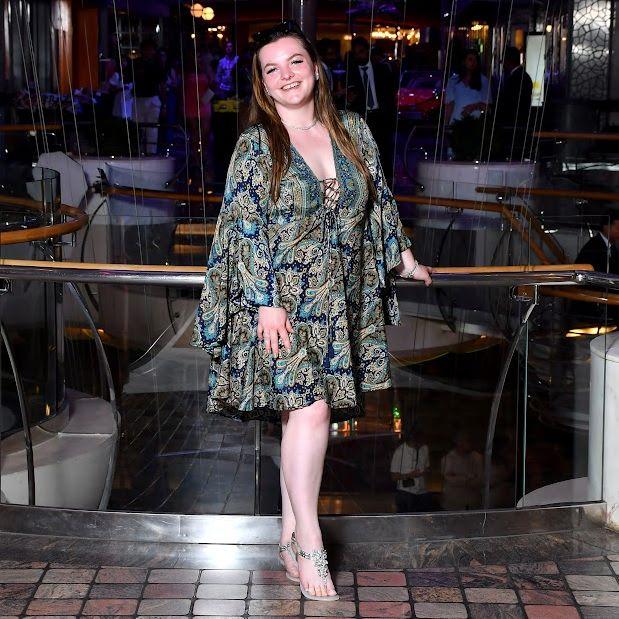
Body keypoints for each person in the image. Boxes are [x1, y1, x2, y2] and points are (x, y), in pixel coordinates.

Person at [191, 20, 432, 602]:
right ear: (262, 83)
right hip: (284, 304)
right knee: (313, 412)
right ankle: (310, 540)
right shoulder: (257, 143)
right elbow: (245, 226)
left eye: (295, 62)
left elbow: (378, 200)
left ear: (316, 68)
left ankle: (286, 533)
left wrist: (403, 257)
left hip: (339, 298)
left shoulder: (352, 129)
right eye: (271, 69)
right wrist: (265, 302)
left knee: (299, 419)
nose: (286, 76)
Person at [344, 36, 397, 181]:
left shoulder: (381, 69)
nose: (359, 56)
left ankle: (386, 183)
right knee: (363, 154)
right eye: (356, 53)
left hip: (380, 116)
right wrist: (349, 100)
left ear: (368, 51)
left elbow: (390, 94)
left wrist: (390, 117)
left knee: (384, 152)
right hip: (363, 117)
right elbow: (347, 97)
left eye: (361, 52)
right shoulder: (351, 72)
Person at [495, 46, 533, 160]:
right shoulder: (523, 76)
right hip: (519, 122)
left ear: (509, 61)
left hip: (513, 123)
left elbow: (510, 103)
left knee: (513, 154)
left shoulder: (515, 78)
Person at [132, 39, 165, 154]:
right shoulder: (136, 64)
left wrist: (163, 103)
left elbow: (162, 83)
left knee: (152, 128)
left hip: (152, 98)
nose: (148, 52)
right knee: (139, 128)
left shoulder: (157, 64)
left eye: (150, 49)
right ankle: (139, 151)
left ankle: (151, 152)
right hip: (139, 98)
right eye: (146, 49)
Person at [390, 424, 432, 512]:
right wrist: (409, 475)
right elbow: (393, 477)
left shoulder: (424, 448)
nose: (419, 445)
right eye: (417, 443)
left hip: (422, 492)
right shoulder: (400, 451)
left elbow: (427, 467)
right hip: (406, 492)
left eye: (421, 442)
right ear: (411, 439)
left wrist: (425, 472)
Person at [444, 49, 491, 125]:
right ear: (464, 61)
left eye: (475, 60)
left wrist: (473, 107)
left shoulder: (483, 80)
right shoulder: (453, 80)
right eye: (470, 59)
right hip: (456, 122)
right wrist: (446, 124)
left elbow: (487, 106)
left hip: (476, 123)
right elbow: (449, 105)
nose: (473, 62)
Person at [440, 431, 483, 511]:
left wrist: (458, 476)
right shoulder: (448, 458)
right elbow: (449, 479)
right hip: (453, 504)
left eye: (470, 440)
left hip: (473, 504)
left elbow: (480, 479)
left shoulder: (477, 457)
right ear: (459, 443)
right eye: (467, 440)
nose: (470, 443)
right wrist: (468, 478)